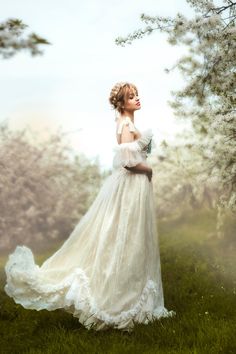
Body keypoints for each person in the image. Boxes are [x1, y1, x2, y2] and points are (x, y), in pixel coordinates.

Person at [4, 82, 176, 332]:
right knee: (126, 238)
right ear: (121, 103)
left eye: (137, 95)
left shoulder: (128, 124)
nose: (136, 99)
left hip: (134, 187)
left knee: (134, 240)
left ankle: (138, 299)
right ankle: (116, 302)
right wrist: (148, 168)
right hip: (130, 186)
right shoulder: (125, 125)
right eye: (130, 96)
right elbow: (128, 162)